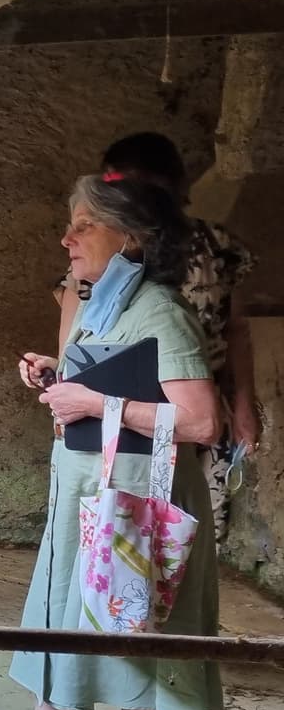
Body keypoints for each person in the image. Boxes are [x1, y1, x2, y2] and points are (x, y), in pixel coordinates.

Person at [0, 174, 221, 710]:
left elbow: (199, 422)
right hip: (92, 493)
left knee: (136, 637)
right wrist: (59, 375)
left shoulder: (159, 308)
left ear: (128, 236)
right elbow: (111, 382)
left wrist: (95, 405)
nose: (67, 238)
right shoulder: (106, 300)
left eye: (84, 224)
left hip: (139, 504)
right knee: (63, 621)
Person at [55, 132, 259, 544]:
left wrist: (242, 405)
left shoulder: (213, 247)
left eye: (128, 182)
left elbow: (235, 329)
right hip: (125, 419)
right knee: (126, 530)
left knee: (185, 528)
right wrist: (62, 383)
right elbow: (77, 326)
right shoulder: (102, 264)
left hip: (197, 397)